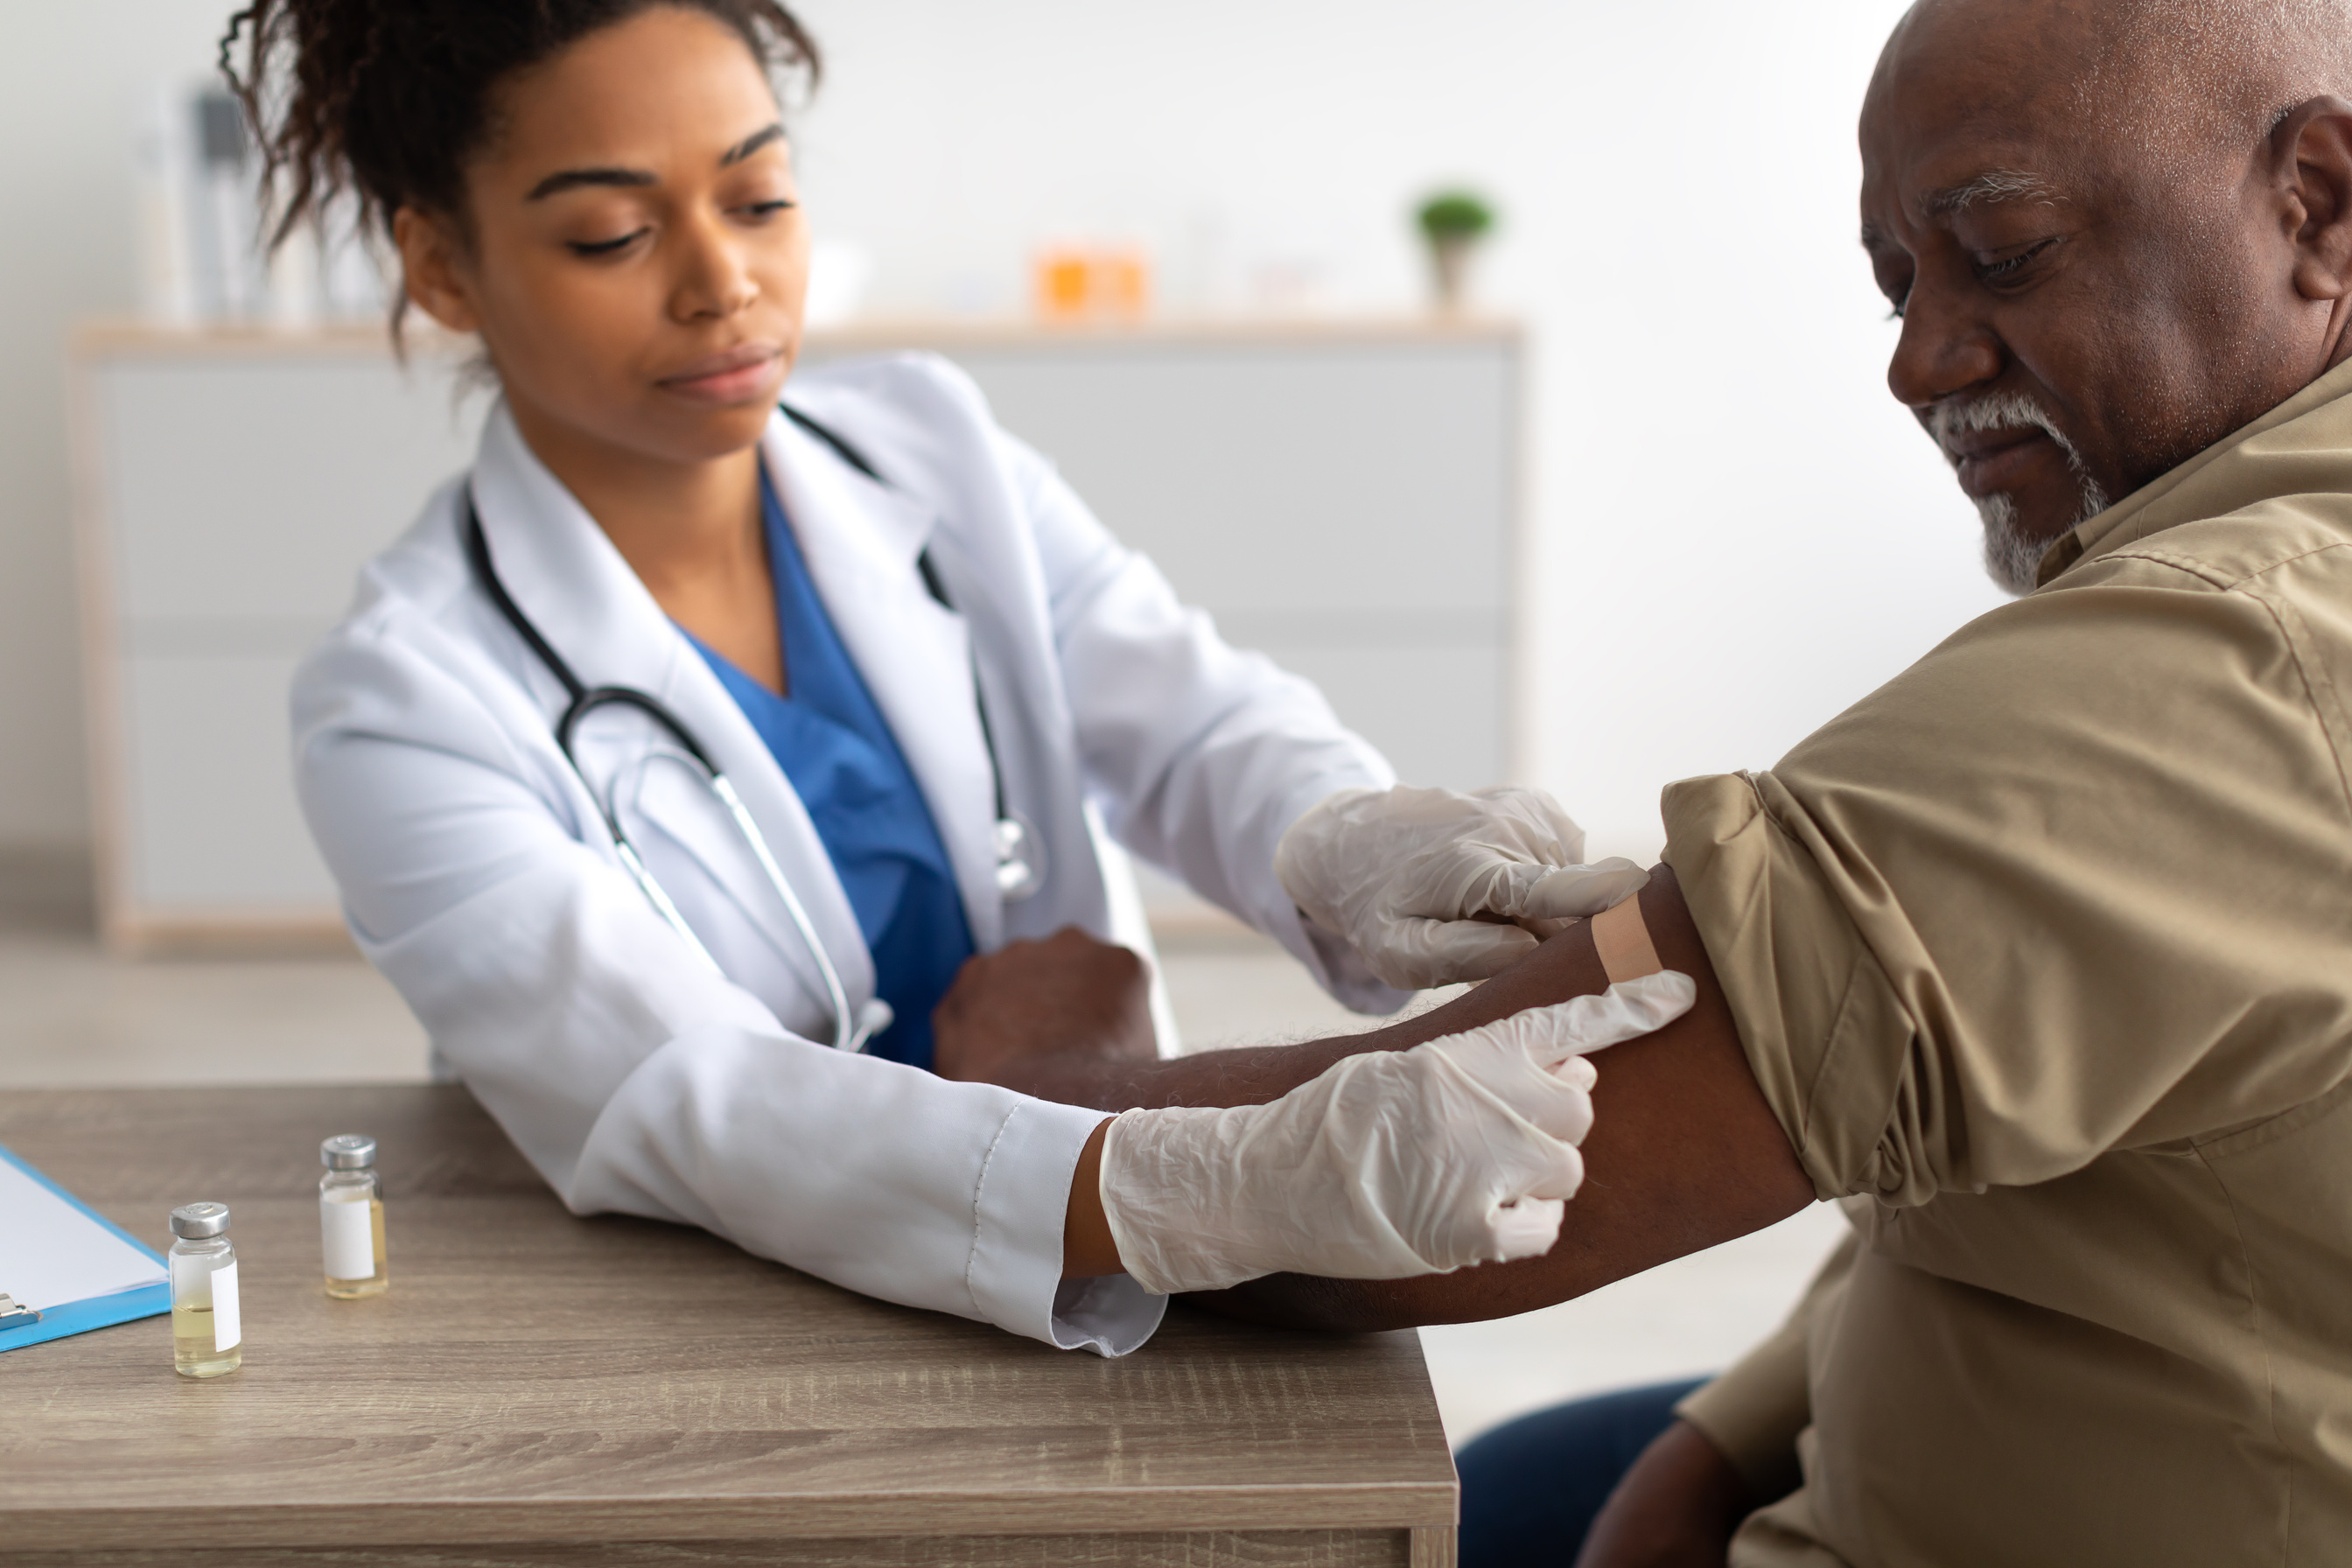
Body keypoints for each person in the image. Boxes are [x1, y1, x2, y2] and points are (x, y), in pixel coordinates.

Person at [944, 0, 2352, 1561]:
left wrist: (1038, 1078)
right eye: (1897, 283)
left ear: (2320, 206)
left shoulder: (2217, 664)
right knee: (1548, 1472)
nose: (1918, 361)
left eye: (2004, 251)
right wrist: (1718, 1443)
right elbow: (2084, 1152)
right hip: (1981, 1416)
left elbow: (1374, 1214)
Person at [238, 0, 1660, 1357]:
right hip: (722, 1319)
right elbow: (681, 1098)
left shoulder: (927, 445)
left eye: (759, 200)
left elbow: (1181, 713)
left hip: (1085, 1219)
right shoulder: (400, 708)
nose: (722, 282)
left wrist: (1339, 838)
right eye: (613, 233)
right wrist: (1208, 1181)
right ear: (439, 266)